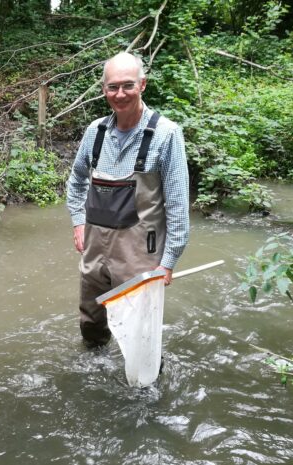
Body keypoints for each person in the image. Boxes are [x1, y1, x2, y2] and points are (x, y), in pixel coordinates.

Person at [66, 52, 190, 348]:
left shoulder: (166, 135)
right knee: (92, 326)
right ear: (104, 89)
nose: (119, 94)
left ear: (142, 84)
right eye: (112, 87)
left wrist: (168, 262)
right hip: (95, 254)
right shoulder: (94, 132)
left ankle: (144, 389)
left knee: (141, 338)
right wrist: (78, 222)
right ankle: (91, 372)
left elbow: (178, 207)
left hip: (140, 260)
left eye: (127, 85)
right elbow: (76, 181)